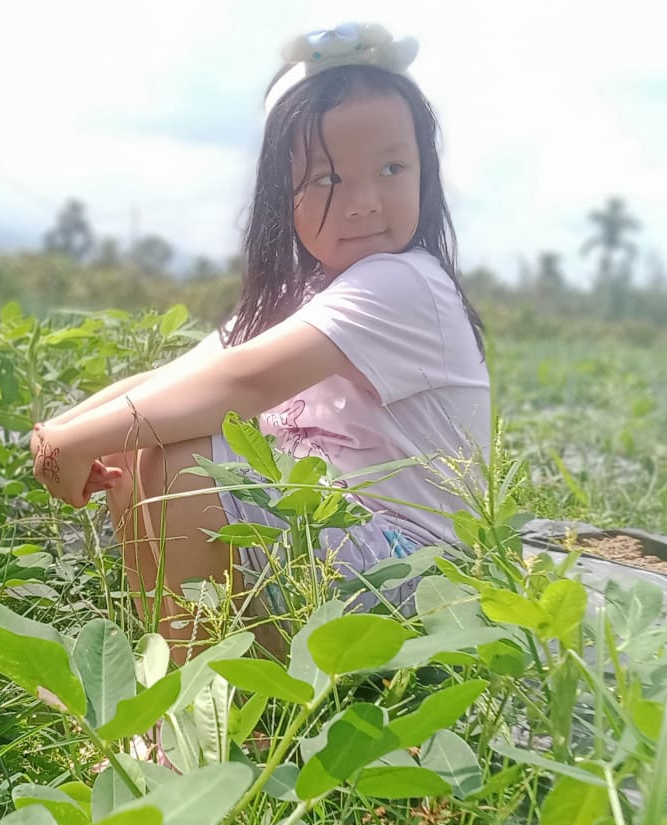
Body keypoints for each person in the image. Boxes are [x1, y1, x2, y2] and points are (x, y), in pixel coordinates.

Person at [31, 21, 492, 663]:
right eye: (329, 179)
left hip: (415, 578)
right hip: (338, 545)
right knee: (152, 445)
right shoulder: (310, 295)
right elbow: (176, 383)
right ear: (285, 195)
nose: (364, 202)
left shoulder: (402, 282)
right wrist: (61, 429)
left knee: (182, 459)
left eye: (392, 167)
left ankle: (200, 715)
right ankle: (191, 678)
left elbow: (237, 384)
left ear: (425, 173)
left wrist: (74, 442)